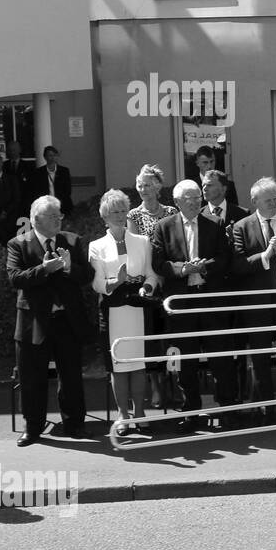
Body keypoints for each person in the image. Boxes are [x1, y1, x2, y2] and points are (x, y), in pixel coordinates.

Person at [7, 196, 94, 446]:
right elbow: (15, 278)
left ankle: (74, 424)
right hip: (34, 321)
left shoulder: (72, 240)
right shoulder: (18, 244)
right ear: (36, 219)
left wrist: (68, 267)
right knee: (32, 377)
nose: (58, 220)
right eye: (53, 216)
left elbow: (87, 276)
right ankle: (33, 428)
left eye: (60, 215)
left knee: (71, 375)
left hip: (67, 320)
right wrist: (44, 269)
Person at [151, 180, 237, 433]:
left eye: (198, 197)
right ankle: (190, 412)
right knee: (185, 360)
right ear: (177, 201)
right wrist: (183, 269)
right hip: (181, 303)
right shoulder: (164, 226)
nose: (195, 201)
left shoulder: (215, 223)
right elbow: (159, 263)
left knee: (220, 357)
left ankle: (226, 409)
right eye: (189, 198)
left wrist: (203, 267)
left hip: (209, 299)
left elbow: (225, 258)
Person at [232, 178, 276, 422]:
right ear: (255, 201)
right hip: (258, 304)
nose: (274, 204)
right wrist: (266, 255)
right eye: (268, 200)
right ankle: (268, 409)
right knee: (261, 358)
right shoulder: (241, 227)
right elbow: (238, 265)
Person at [89, 190, 156, 437]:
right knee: (118, 365)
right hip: (113, 311)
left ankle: (139, 411)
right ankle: (123, 415)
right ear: (104, 216)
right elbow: (97, 284)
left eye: (122, 211)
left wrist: (147, 287)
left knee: (138, 365)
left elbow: (151, 274)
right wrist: (116, 282)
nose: (119, 215)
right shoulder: (96, 246)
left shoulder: (142, 241)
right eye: (114, 212)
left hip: (137, 309)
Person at [127, 164, 179, 410]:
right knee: (151, 336)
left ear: (158, 187)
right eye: (140, 185)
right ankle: (157, 386)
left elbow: (176, 245)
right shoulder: (133, 215)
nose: (143, 189)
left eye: (148, 185)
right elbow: (136, 251)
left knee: (173, 335)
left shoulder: (171, 211)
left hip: (170, 279)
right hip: (148, 282)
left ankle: (176, 382)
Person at [29, 146, 73, 218]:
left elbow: (67, 190)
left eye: (54, 155)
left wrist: (59, 201)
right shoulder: (39, 172)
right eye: (50, 155)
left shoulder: (64, 171)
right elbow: (37, 190)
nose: (52, 158)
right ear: (45, 157)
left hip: (62, 205)